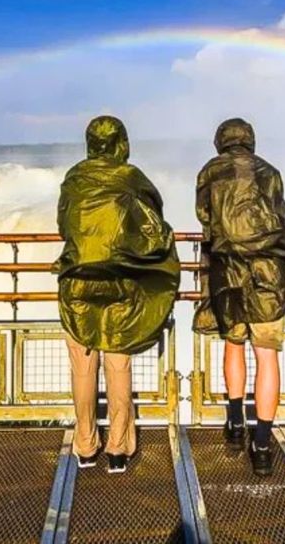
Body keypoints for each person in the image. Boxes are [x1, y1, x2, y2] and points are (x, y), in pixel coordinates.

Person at [54, 115, 180, 474]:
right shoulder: (130, 178)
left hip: (77, 282)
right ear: (122, 142)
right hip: (121, 283)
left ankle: (85, 447)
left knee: (82, 368)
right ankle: (119, 450)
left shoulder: (74, 178)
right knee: (118, 363)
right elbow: (154, 225)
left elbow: (64, 225)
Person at [193, 118, 285, 476]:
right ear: (250, 141)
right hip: (268, 277)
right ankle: (261, 445)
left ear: (221, 142)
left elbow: (204, 216)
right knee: (267, 358)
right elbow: (281, 219)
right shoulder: (270, 172)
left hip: (227, 273)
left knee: (233, 347)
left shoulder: (209, 172)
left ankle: (234, 424)